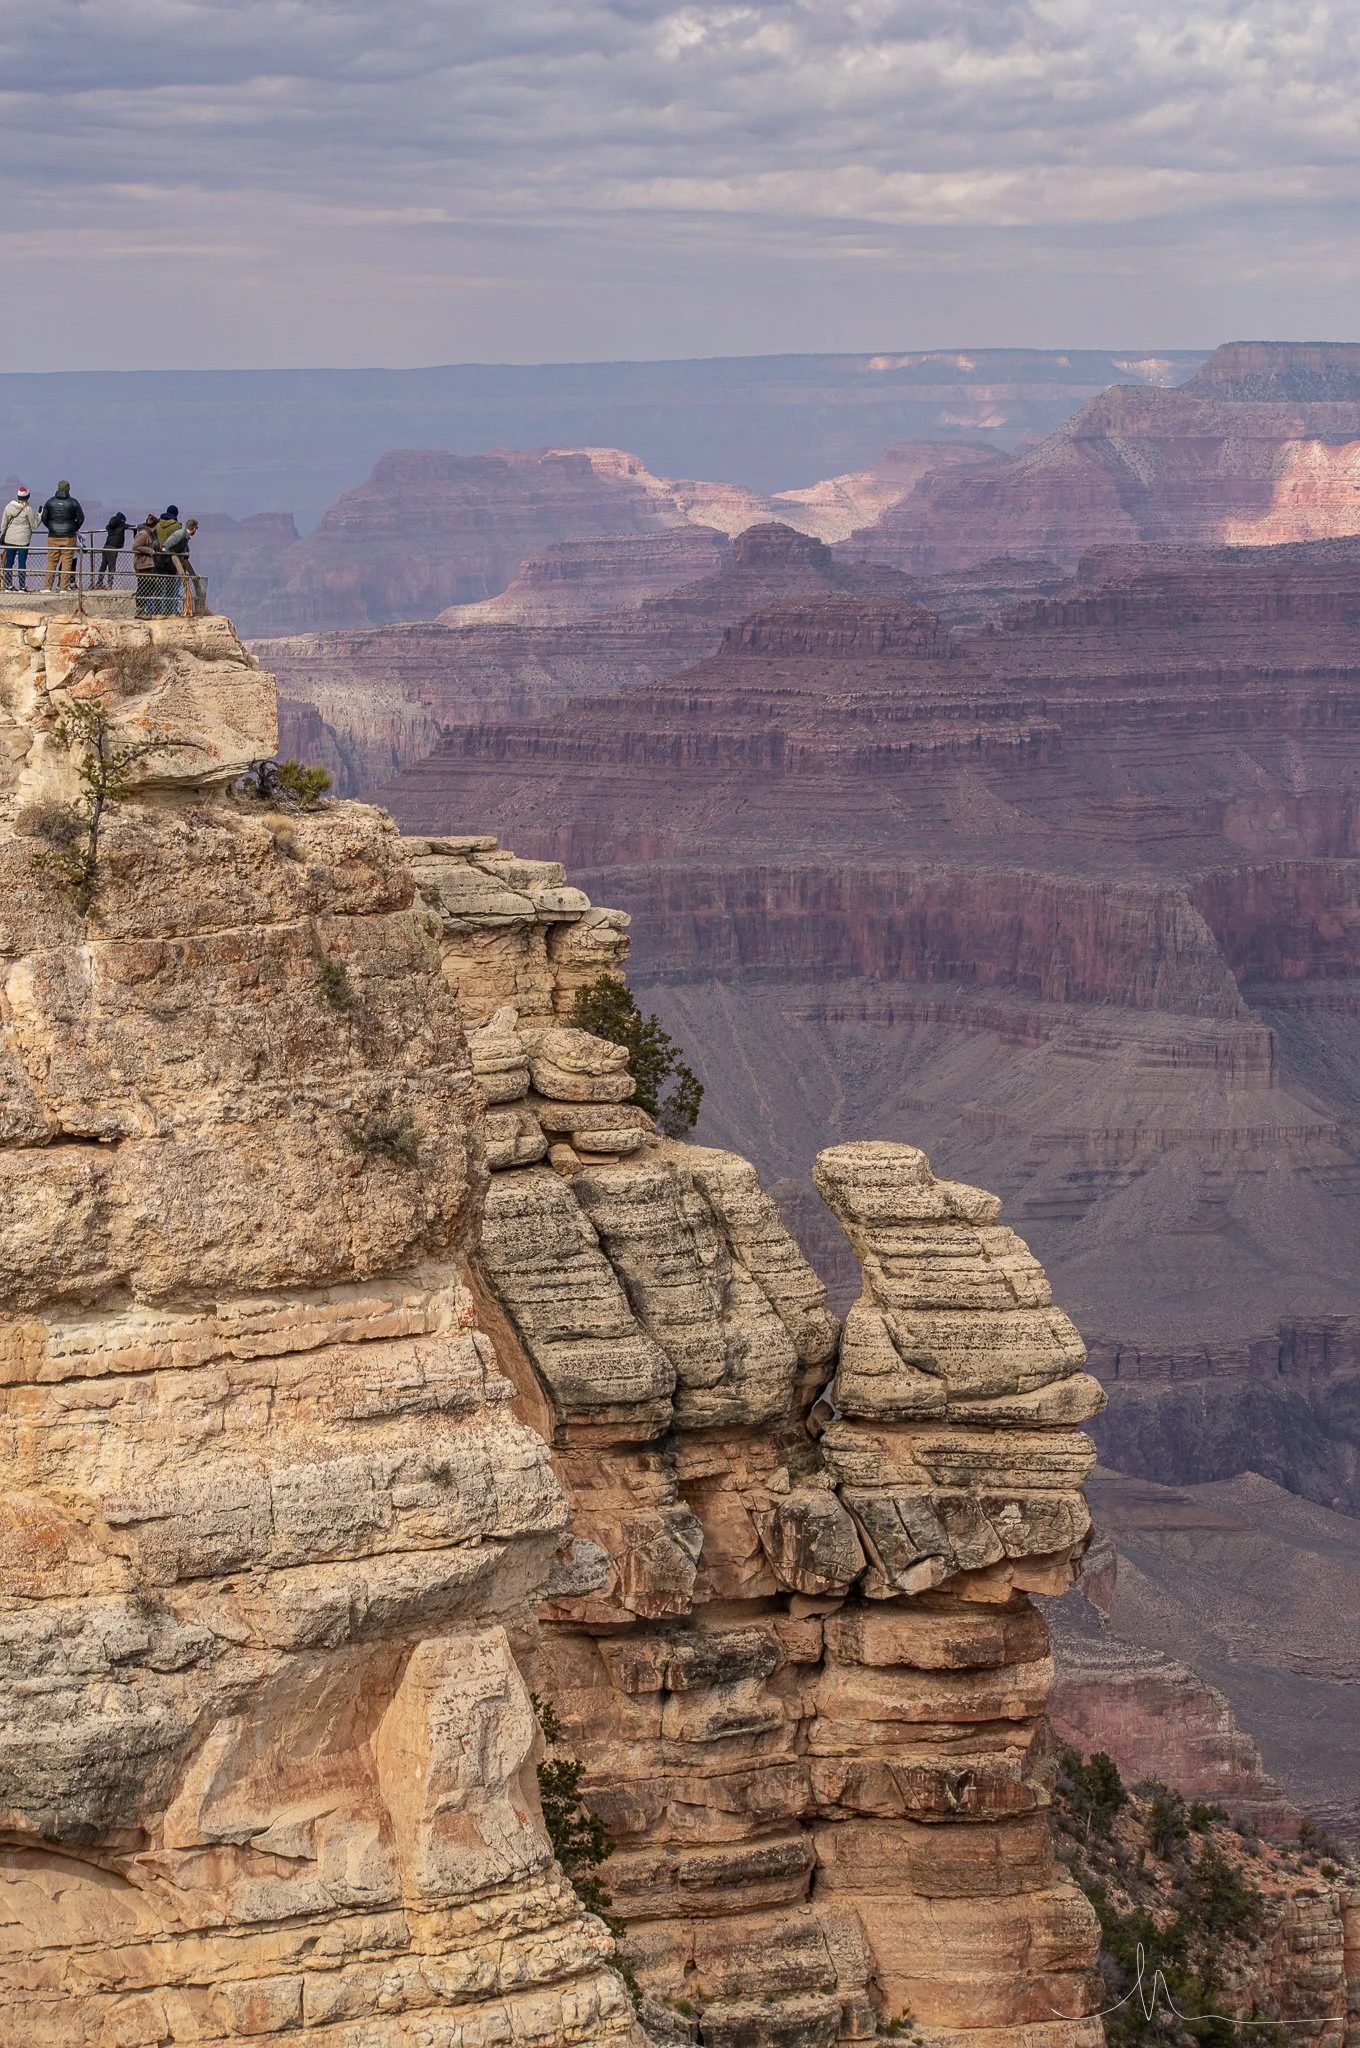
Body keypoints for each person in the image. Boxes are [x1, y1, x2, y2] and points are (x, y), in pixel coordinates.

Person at [1, 486, 35, 591]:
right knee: (21, 563)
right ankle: (22, 586)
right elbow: (34, 524)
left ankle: (8, 585)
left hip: (10, 539)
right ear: (28, 497)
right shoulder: (28, 509)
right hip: (23, 541)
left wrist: (3, 534)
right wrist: (40, 515)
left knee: (9, 563)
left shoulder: (9, 507)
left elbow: (4, 524)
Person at [132, 513, 164, 618]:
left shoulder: (151, 534)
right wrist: (150, 550)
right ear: (155, 525)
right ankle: (139, 611)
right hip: (142, 564)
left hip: (148, 564)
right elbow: (136, 546)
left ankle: (142, 609)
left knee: (150, 586)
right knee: (143, 587)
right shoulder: (144, 534)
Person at [94, 510, 128, 590]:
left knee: (103, 565)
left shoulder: (110, 526)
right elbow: (130, 526)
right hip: (113, 548)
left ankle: (99, 583)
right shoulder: (122, 525)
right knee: (111, 567)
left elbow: (108, 527)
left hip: (106, 546)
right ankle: (109, 584)